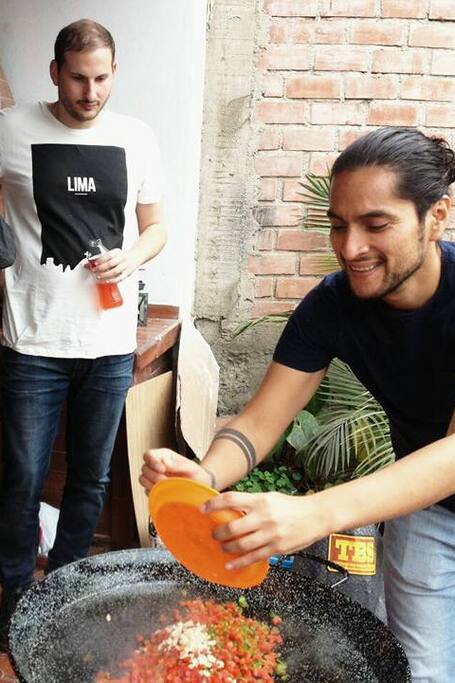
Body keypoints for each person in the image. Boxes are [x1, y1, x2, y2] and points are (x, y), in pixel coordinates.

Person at [141, 127, 455, 682]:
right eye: (339, 225)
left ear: (437, 217)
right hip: (427, 511)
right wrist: (205, 477)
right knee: (423, 671)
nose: (350, 248)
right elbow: (261, 421)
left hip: (436, 473)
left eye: (376, 224)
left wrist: (316, 513)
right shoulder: (332, 306)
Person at [0, 18, 166, 649]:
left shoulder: (136, 137)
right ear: (54, 73)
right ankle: (16, 597)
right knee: (22, 479)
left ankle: (65, 594)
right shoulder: (11, 130)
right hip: (32, 342)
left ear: (114, 72)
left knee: (91, 479)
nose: (90, 92)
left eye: (100, 79)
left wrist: (133, 256)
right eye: (77, 78)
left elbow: (157, 227)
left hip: (109, 343)